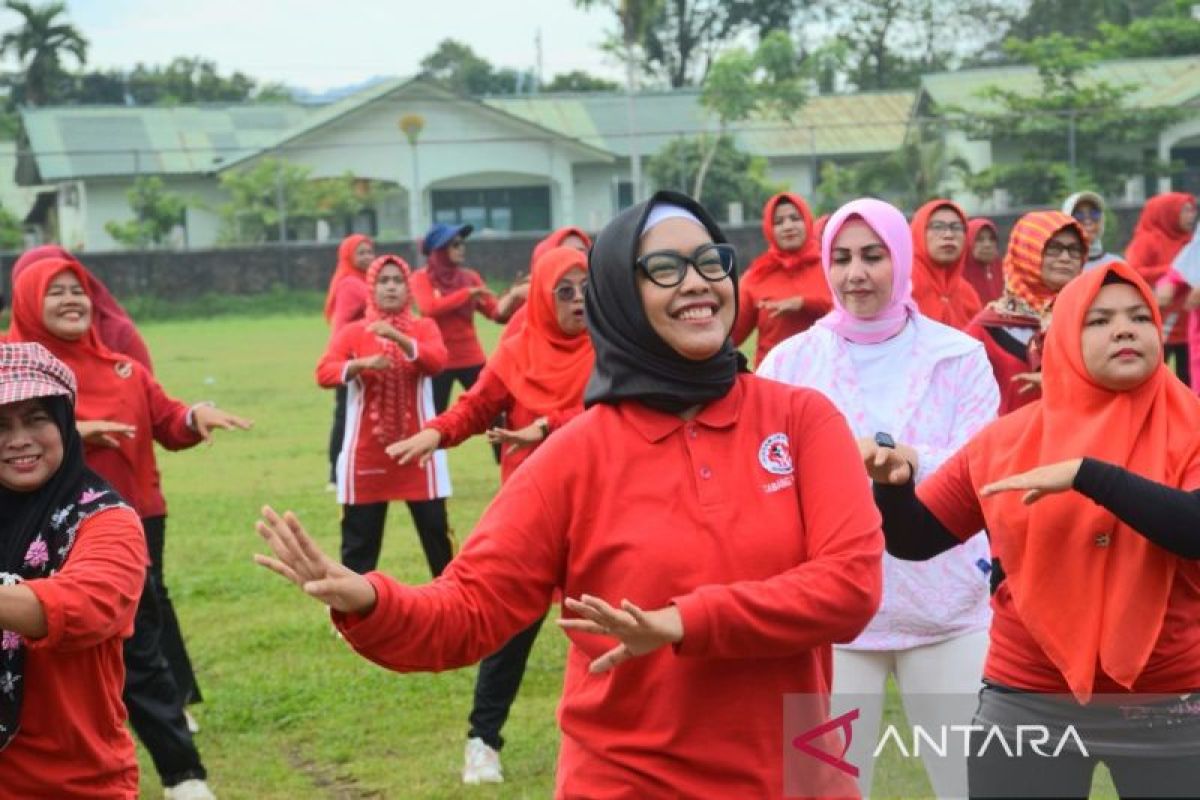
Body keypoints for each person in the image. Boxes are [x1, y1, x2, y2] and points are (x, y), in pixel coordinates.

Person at [255, 191, 884, 798]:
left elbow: (849, 587)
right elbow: (471, 608)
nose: (696, 282)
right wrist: (371, 599)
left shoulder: (801, 420)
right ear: (619, 295)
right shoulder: (576, 455)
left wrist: (682, 620)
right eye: (663, 269)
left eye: (710, 261)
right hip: (626, 784)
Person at [870, 260, 1200, 799]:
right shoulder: (1007, 440)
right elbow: (915, 539)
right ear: (1064, 337)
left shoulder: (1192, 427)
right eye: (1098, 320)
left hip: (1170, 702)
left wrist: (1089, 474)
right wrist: (894, 487)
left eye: (1139, 316)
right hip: (1029, 697)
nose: (1123, 328)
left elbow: (1194, 527)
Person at [759, 198, 998, 798]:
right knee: (826, 784)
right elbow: (765, 469)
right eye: (840, 258)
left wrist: (907, 461)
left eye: (873, 256)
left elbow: (981, 459)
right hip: (831, 614)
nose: (855, 273)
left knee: (968, 781)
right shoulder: (791, 362)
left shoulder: (959, 355)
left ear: (901, 257)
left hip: (944, 606)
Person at [8, 255, 252, 800]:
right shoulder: (10, 367)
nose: (72, 300)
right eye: (56, 292)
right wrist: (78, 431)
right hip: (31, 524)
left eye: (80, 290)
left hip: (125, 519)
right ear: (27, 301)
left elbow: (166, 418)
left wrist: (194, 417)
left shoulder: (122, 367)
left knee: (136, 638)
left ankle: (183, 774)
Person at [387, 245, 592, 784]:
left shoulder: (614, 344)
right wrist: (437, 432)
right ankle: (482, 741)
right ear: (543, 300)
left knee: (608, 625)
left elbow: (614, 404)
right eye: (564, 292)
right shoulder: (519, 345)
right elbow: (478, 404)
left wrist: (546, 427)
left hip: (602, 503)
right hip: (535, 505)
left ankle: (620, 738)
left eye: (586, 288)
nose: (579, 301)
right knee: (511, 626)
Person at [0, 342, 146, 798]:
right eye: (0, 424)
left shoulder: (107, 520)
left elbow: (82, 607)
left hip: (71, 781)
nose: (18, 438)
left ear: (65, 422)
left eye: (36, 418)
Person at [316, 254, 454, 577]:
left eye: (398, 281)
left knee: (438, 540)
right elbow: (324, 372)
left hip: (420, 455)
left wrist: (399, 339)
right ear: (371, 287)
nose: (391, 287)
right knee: (358, 544)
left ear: (408, 289)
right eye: (383, 281)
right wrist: (360, 365)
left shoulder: (424, 327)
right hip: (367, 456)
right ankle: (350, 619)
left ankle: (455, 608)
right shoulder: (353, 332)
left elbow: (437, 361)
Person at [966, 210, 1086, 415]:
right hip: (1011, 441)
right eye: (1054, 249)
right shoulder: (986, 329)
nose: (1066, 258)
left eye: (1075, 250)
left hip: (1081, 441)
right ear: (1026, 252)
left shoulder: (1092, 318)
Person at [409, 222, 524, 413]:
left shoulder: (470, 277)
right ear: (439, 250)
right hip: (438, 361)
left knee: (493, 412)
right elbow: (428, 307)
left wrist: (512, 297)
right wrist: (466, 294)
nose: (462, 248)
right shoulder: (421, 278)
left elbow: (495, 313)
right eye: (455, 244)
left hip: (471, 357)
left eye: (462, 243)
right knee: (433, 417)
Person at [12, 245, 155, 372]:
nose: (70, 300)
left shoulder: (116, 333)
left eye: (77, 291)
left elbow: (145, 394)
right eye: (54, 292)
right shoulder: (10, 357)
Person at [730, 192, 832, 366]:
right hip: (774, 380)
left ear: (807, 221)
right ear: (769, 228)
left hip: (826, 374)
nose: (788, 226)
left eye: (795, 218)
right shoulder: (757, 275)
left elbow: (851, 316)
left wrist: (804, 304)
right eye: (778, 222)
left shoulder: (831, 267)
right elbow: (731, 337)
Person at [1124, 192, 1199, 389]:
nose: (1192, 215)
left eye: (1193, 210)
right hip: (1158, 325)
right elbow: (1134, 271)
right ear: (1168, 212)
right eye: (1186, 210)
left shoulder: (1191, 242)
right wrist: (1176, 271)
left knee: (1187, 384)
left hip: (1187, 327)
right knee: (1152, 383)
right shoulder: (1148, 240)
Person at [324, 234, 376, 486]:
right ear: (348, 257)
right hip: (353, 361)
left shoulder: (366, 281)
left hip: (367, 359)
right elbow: (341, 325)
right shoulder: (350, 284)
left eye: (370, 252)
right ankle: (336, 473)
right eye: (361, 253)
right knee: (346, 417)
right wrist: (345, 358)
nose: (367, 257)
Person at [499, 225, 591, 343]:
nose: (574, 258)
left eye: (582, 252)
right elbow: (497, 313)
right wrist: (514, 295)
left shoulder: (605, 319)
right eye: (565, 291)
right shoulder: (523, 324)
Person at [910, 199, 983, 330]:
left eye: (956, 227)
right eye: (938, 227)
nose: (949, 235)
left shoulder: (967, 293)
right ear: (919, 231)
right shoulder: (903, 286)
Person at [1061, 191, 1123, 272]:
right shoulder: (1061, 268)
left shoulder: (1117, 265)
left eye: (1094, 213)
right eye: (1079, 215)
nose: (1088, 220)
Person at [963, 218, 1004, 305]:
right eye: (979, 239)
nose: (987, 245)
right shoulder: (959, 278)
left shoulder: (1005, 272)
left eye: (992, 239)